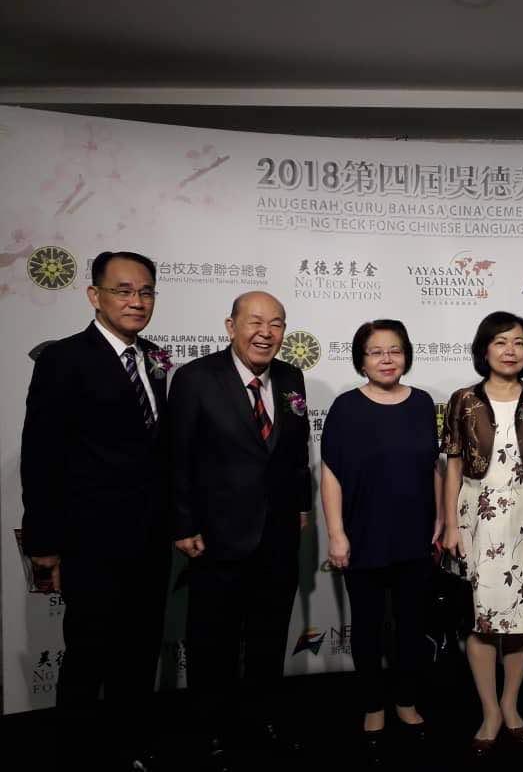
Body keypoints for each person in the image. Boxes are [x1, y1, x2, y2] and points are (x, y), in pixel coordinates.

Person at [20, 250, 172, 771]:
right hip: (91, 542)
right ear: (95, 296)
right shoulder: (64, 358)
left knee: (139, 651)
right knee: (88, 656)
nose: (137, 301)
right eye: (124, 290)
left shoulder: (155, 357)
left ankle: (131, 746)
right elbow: (40, 456)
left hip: (150, 540)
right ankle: (78, 754)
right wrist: (43, 544)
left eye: (146, 291)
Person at [169, 291, 311, 771]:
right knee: (214, 644)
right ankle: (212, 731)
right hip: (216, 536)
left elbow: (295, 453)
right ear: (231, 326)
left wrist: (302, 507)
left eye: (276, 323)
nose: (265, 332)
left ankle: (262, 721)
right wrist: (184, 523)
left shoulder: (292, 377)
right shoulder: (194, 378)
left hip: (277, 538)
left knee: (269, 640)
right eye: (254, 322)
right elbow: (179, 456)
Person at [440, 311, 523, 756]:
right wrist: (451, 523)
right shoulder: (463, 400)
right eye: (500, 342)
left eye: (519, 343)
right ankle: (489, 709)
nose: (510, 350)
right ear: (485, 350)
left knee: (519, 620)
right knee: (482, 617)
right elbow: (452, 464)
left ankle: (512, 705)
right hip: (478, 514)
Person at [320, 319, 442, 763]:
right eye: (375, 352)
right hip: (363, 535)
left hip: (415, 534)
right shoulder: (345, 407)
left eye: (394, 350)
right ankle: (373, 704)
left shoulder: (423, 403)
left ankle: (406, 701)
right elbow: (330, 472)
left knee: (411, 626)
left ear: (406, 354)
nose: (386, 359)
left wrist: (442, 518)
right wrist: (336, 533)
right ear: (361, 359)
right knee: (369, 627)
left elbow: (433, 466)